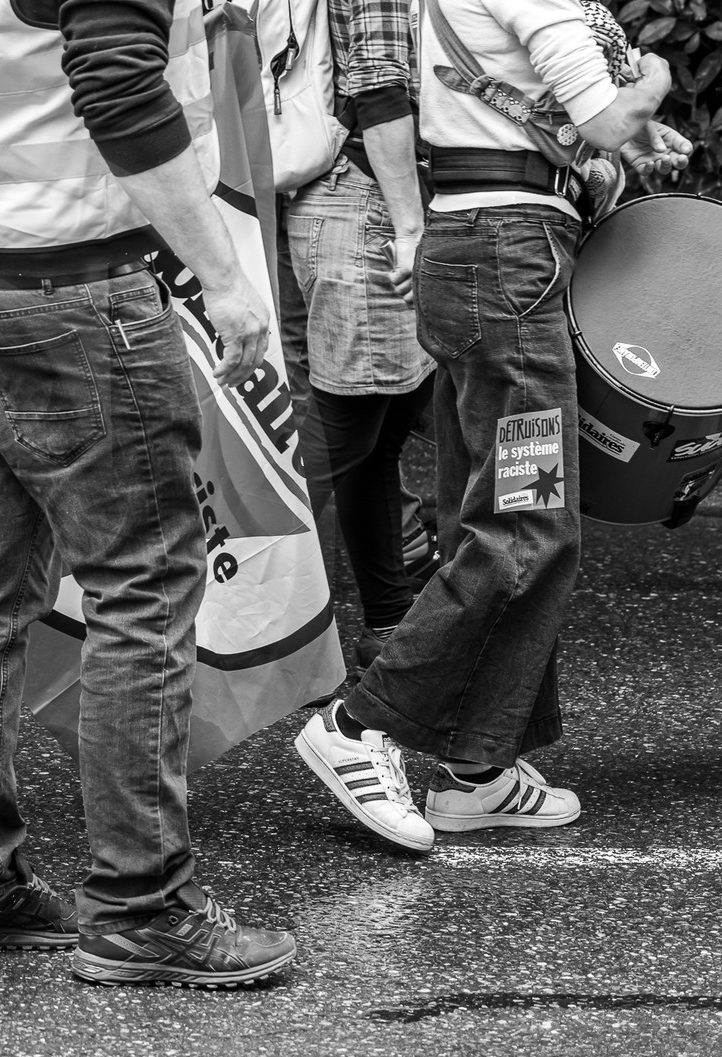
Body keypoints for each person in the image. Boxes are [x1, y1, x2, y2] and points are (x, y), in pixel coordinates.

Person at [0, 0, 298, 986]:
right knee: (143, 587)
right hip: (71, 286)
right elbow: (117, 82)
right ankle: (141, 905)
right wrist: (220, 275)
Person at [294, 0, 691, 852]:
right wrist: (651, 86)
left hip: (490, 256)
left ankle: (480, 772)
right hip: (507, 263)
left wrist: (619, 142)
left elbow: (542, 117)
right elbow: (607, 110)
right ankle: (356, 727)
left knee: (498, 517)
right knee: (524, 527)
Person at [285, 0, 437, 671]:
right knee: (335, 444)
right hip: (366, 205)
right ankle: (263, 641)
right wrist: (410, 228)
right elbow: (377, 85)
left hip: (384, 200)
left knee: (382, 433)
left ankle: (387, 622)